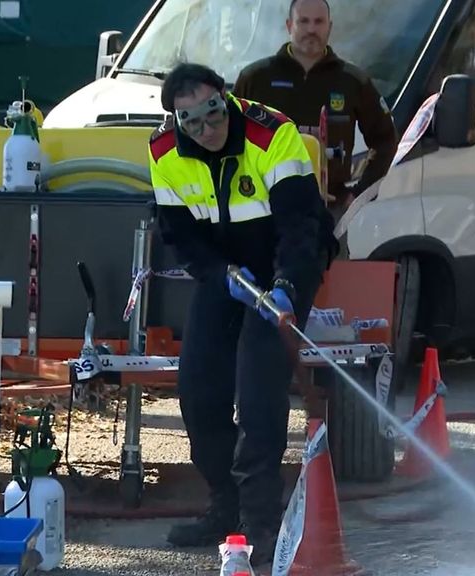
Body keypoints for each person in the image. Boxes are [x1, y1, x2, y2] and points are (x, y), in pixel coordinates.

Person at [148, 62, 336, 567]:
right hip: (225, 271)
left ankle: (261, 522)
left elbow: (301, 226)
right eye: (193, 124)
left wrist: (287, 287)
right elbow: (180, 236)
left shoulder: (272, 134)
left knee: (257, 389)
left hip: (286, 260)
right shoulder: (163, 151)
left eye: (214, 116)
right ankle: (223, 507)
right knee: (199, 388)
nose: (207, 131)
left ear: (224, 100)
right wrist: (219, 273)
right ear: (179, 121)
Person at [232, 0, 398, 221]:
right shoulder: (255, 78)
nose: (311, 29)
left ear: (329, 27)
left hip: (329, 211)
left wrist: (359, 194)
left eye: (318, 22)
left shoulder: (352, 81)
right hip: (264, 209)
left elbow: (386, 139)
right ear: (290, 25)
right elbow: (228, 137)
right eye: (304, 21)